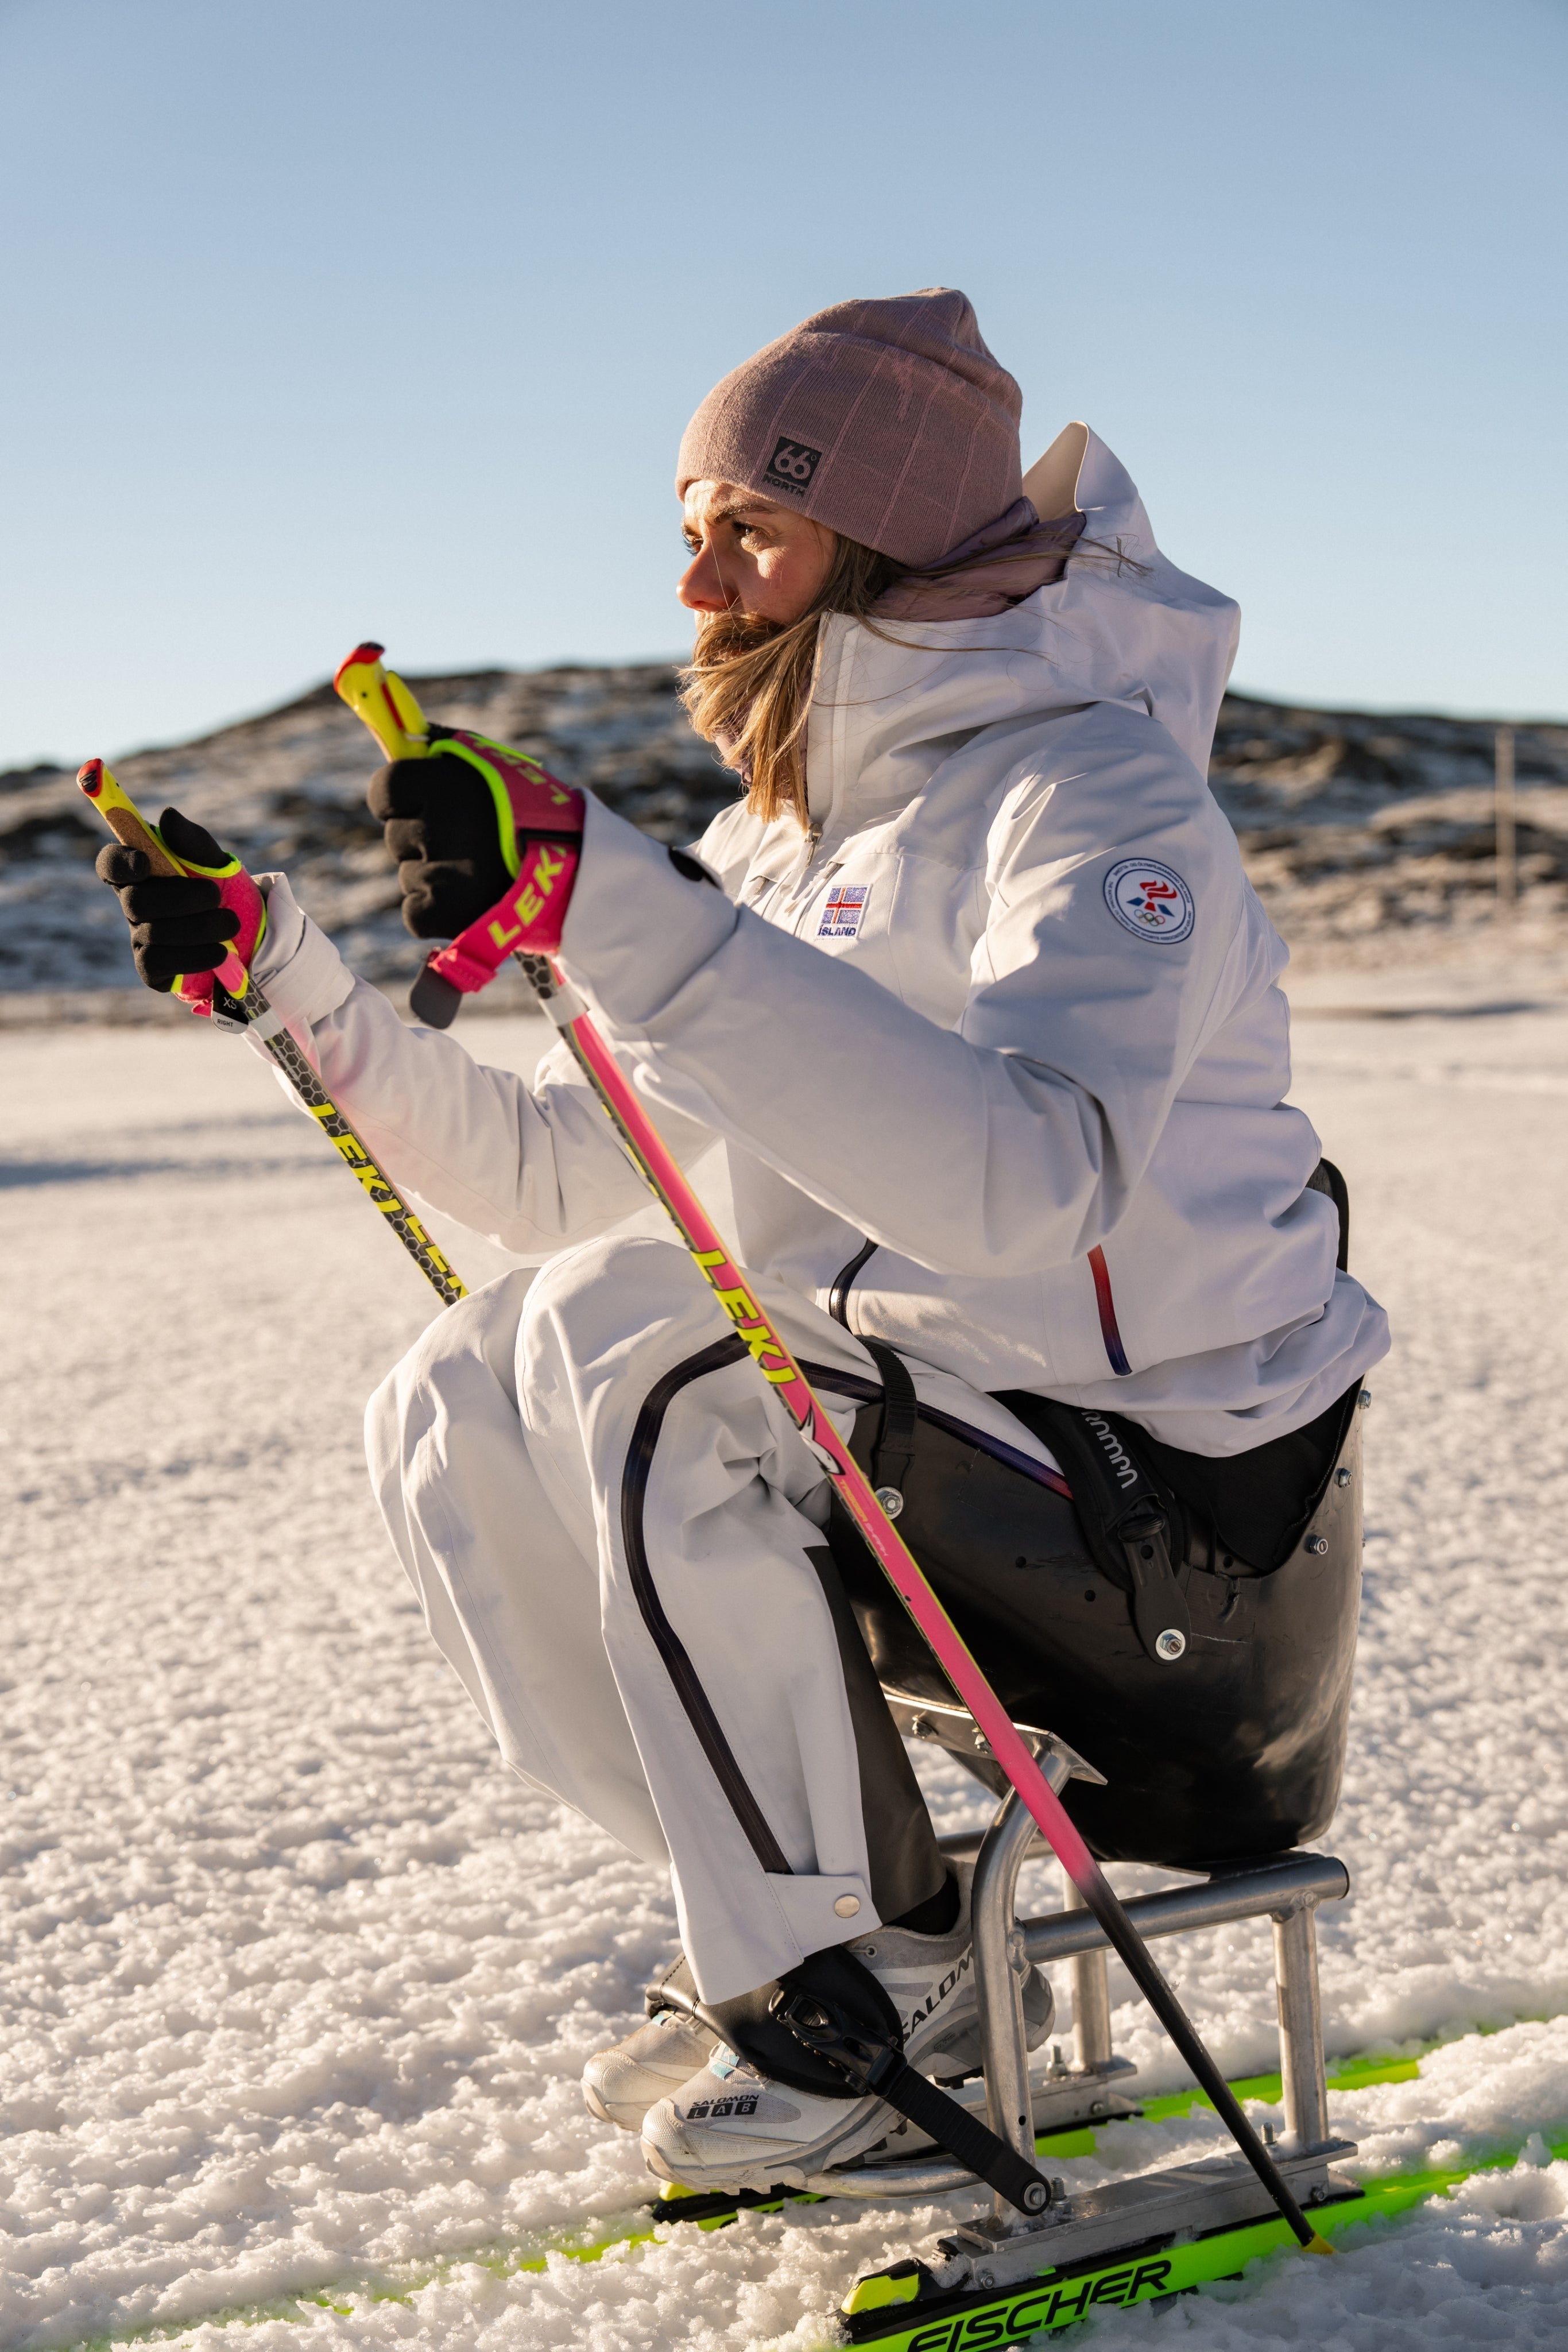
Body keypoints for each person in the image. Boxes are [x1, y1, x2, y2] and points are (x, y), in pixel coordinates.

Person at [98, 288, 1389, 2198]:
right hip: (964, 1441)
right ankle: (876, 1961)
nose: (694, 575)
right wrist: (295, 984)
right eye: (692, 518)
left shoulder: (1094, 798)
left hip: (1181, 1503)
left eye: (749, 528)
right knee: (461, 1384)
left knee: (662, 1354)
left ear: (879, 548)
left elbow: (1027, 1188)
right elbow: (561, 1178)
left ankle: (848, 1992)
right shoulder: (790, 844)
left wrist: (625, 909)